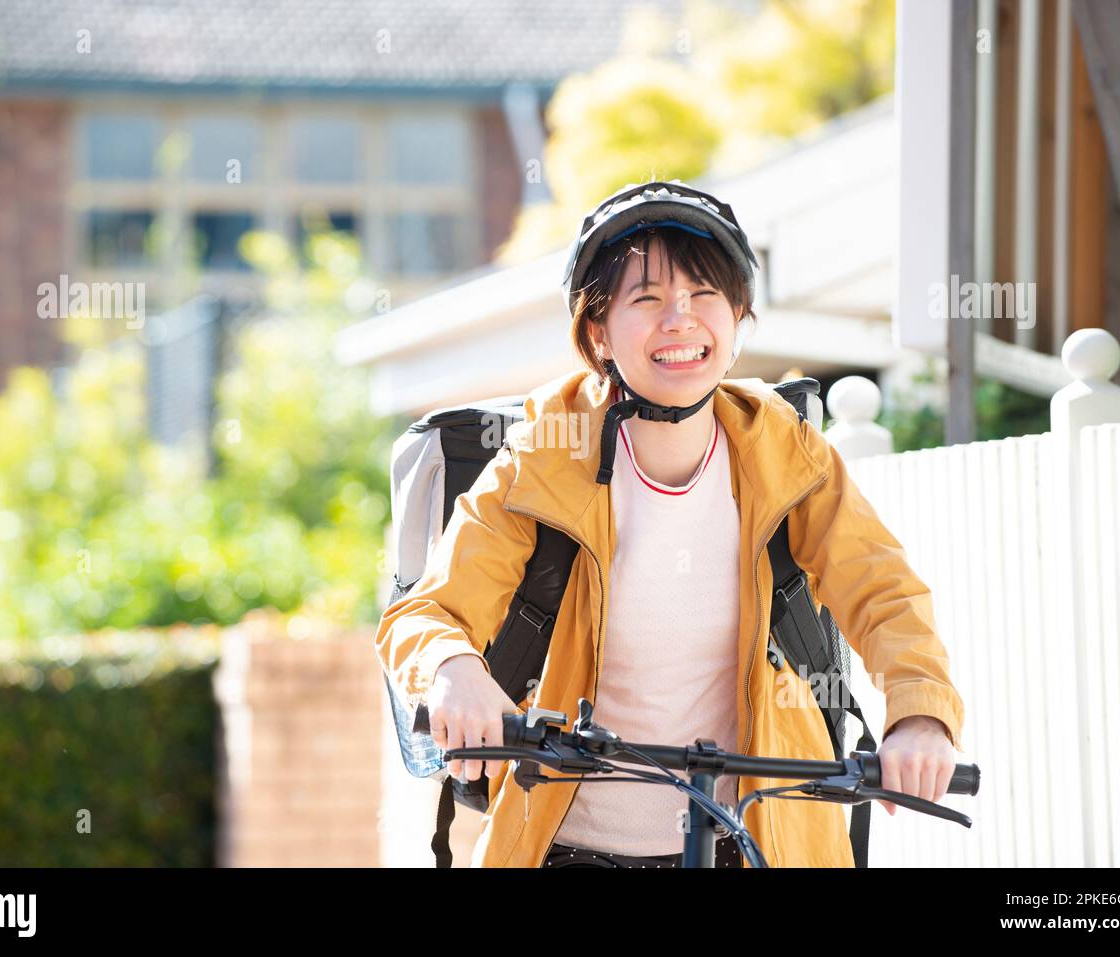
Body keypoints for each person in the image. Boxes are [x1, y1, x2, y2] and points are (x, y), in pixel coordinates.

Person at [374, 181, 966, 868]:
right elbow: (426, 612)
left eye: (704, 295)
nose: (680, 320)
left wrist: (920, 713)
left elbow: (883, 590)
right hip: (569, 844)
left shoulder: (786, 448)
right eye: (647, 299)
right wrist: (452, 667)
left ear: (738, 317)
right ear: (598, 332)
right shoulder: (544, 455)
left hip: (754, 838)